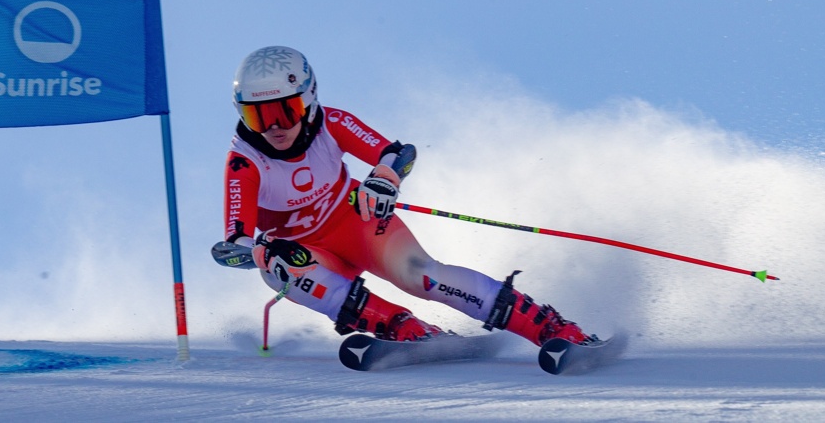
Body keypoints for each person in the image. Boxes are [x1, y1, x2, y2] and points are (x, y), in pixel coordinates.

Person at [220, 46, 596, 345]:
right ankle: (403, 328)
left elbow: (399, 153)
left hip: (357, 223)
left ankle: (547, 327)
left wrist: (383, 179)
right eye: (258, 117)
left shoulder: (332, 124)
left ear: (309, 98)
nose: (273, 128)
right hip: (307, 254)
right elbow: (231, 246)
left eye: (286, 111)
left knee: (421, 276)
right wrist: (259, 253)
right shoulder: (244, 162)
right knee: (279, 271)